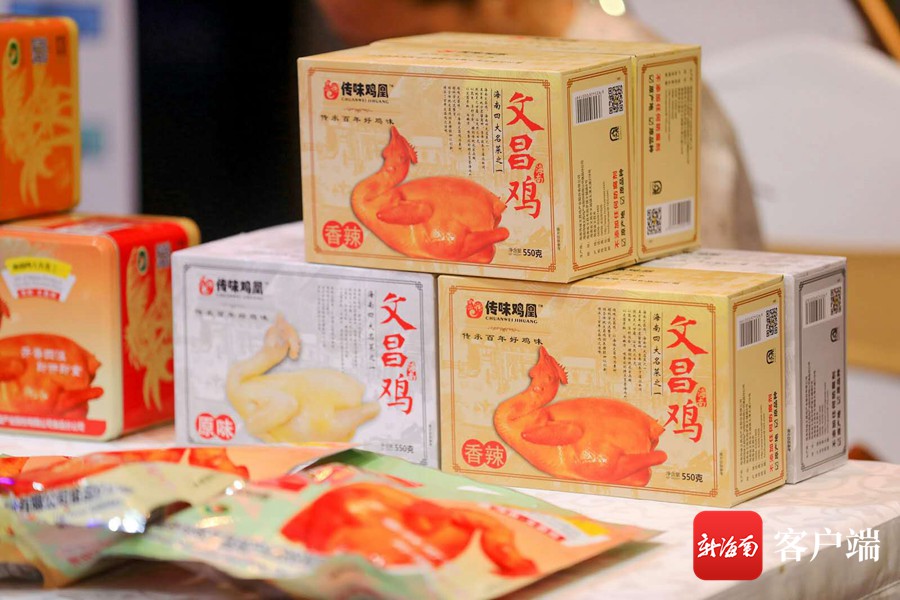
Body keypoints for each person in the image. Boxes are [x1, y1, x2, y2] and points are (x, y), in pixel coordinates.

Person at [312, 0, 763, 250]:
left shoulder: (630, 77)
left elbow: (701, 265)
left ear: (501, 6)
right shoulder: (486, 89)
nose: (380, 64)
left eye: (404, 41)